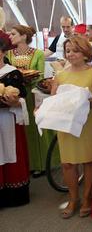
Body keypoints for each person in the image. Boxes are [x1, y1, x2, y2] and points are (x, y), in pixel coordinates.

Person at [51, 36, 92, 219]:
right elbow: (53, 101)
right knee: (67, 163)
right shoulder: (59, 76)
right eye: (68, 50)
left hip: (88, 122)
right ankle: (73, 199)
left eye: (75, 50)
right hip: (65, 123)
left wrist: (88, 103)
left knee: (89, 160)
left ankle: (87, 196)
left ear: (85, 53)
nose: (71, 54)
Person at [7, 25, 48, 177]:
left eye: (13, 33)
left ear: (24, 36)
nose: (10, 36)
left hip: (32, 94)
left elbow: (41, 75)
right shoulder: (9, 54)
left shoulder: (38, 54)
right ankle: (27, 163)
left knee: (34, 129)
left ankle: (40, 163)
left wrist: (28, 78)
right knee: (21, 129)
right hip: (16, 96)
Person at [0, 35, 29, 208]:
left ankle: (13, 195)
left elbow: (22, 97)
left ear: (3, 51)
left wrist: (15, 101)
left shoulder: (12, 72)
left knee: (10, 151)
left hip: (7, 119)